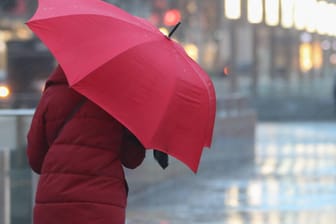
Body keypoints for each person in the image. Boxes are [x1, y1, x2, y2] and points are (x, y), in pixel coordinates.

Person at [26, 65, 146, 224]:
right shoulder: (119, 97)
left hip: (53, 203)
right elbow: (132, 158)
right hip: (101, 205)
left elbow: (36, 160)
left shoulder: (52, 94)